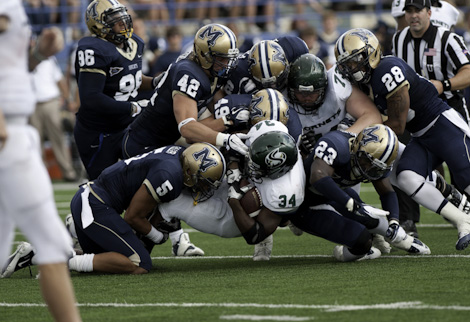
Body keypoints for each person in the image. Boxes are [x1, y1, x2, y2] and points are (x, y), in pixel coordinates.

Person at [334, 28, 470, 250]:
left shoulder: (388, 69)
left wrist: (358, 137)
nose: (351, 68)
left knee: (466, 178)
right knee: (405, 176)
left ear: (371, 54)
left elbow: (396, 126)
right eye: (347, 64)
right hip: (422, 137)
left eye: (355, 61)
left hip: (443, 126)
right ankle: (462, 219)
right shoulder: (363, 83)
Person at [6, 143, 226, 276]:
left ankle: (39, 254)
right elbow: (132, 216)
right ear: (189, 171)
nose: (203, 188)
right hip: (95, 204)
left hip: (93, 201)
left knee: (111, 259)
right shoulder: (170, 175)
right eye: (203, 182)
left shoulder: (178, 154)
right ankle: (57, 261)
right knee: (138, 263)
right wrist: (157, 235)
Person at [0, 1, 81, 321]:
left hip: (16, 133)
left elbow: (10, 67)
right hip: (9, 134)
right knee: (52, 245)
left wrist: (38, 56)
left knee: (51, 247)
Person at [294, 124, 430, 261]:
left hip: (333, 193)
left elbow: (387, 192)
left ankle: (401, 238)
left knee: (371, 217)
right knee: (362, 241)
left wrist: (394, 221)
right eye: (366, 161)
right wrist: (352, 204)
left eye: (375, 168)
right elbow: (318, 176)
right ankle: (343, 252)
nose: (368, 168)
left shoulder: (374, 162)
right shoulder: (337, 144)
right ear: (357, 146)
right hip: (302, 202)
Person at [392, 0, 470, 235]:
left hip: (449, 110)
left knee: (463, 174)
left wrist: (442, 84)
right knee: (400, 165)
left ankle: (463, 212)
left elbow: (468, 72)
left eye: (418, 11)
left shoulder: (448, 38)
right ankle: (408, 220)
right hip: (417, 117)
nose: (413, 16)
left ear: (429, 12)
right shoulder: (399, 39)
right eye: (409, 11)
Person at [122, 23, 248, 159]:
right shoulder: (188, 73)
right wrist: (225, 138)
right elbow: (187, 128)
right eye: (221, 58)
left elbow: (215, 109)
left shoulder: (209, 70)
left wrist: (231, 118)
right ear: (204, 55)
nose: (227, 63)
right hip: (143, 144)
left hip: (166, 141)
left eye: (229, 58)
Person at [74, 0, 158, 180]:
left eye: (123, 17)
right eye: (114, 19)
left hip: (126, 127)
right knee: (104, 189)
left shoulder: (135, 43)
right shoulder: (94, 49)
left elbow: (129, 79)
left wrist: (155, 82)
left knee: (144, 178)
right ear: (98, 25)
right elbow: (91, 97)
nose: (122, 22)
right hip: (98, 132)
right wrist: (133, 108)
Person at [30, 54, 78, 182]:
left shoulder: (49, 58)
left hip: (50, 101)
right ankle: (40, 175)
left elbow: (59, 79)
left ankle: (68, 173)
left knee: (58, 137)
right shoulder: (21, 58)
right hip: (31, 104)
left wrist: (68, 99)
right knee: (35, 141)